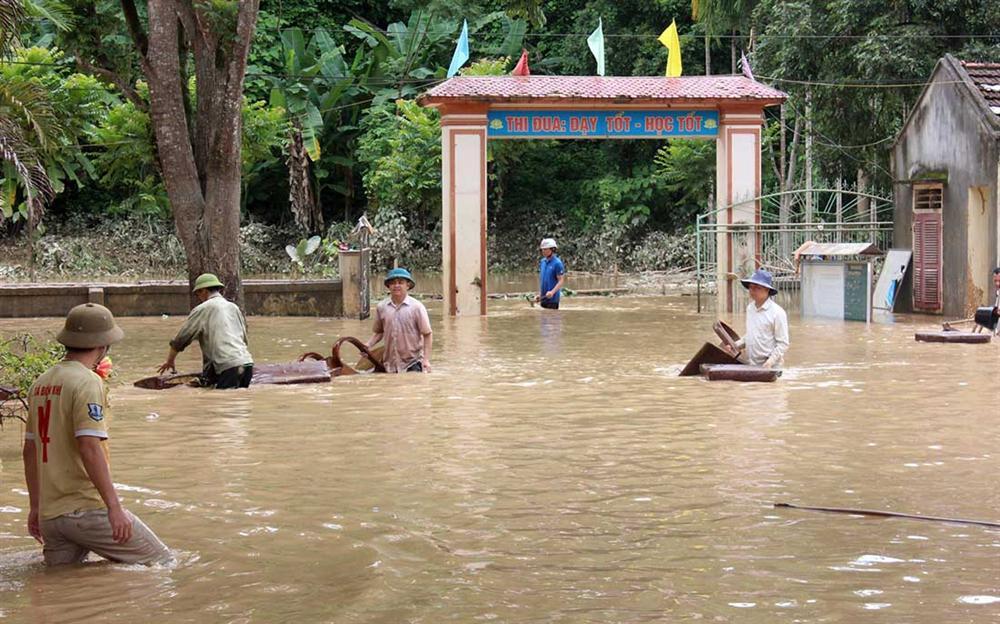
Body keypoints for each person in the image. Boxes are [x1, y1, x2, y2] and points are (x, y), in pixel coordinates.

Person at [23, 303, 170, 565]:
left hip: (52, 518)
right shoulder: (89, 382)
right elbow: (89, 447)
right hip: (86, 510)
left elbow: (29, 452)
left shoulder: (40, 384)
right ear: (103, 345)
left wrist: (36, 508)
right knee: (163, 562)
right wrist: (115, 508)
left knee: (62, 584)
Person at [157, 273, 254, 389]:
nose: (199, 297)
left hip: (228, 367)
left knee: (224, 404)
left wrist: (170, 361)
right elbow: (243, 339)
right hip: (247, 364)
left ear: (203, 291)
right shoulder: (234, 307)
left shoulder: (203, 309)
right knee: (238, 401)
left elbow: (181, 339)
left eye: (198, 293)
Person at [366, 268, 433, 373]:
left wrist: (426, 360)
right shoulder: (382, 307)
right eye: (393, 283)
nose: (396, 285)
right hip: (389, 364)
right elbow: (379, 332)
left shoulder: (417, 307)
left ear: (408, 285)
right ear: (388, 286)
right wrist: (368, 345)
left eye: (400, 282)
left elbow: (427, 334)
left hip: (413, 362)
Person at [724, 269, 790, 369]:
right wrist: (735, 345)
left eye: (757, 288)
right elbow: (751, 335)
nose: (752, 291)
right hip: (752, 364)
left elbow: (783, 344)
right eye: (750, 287)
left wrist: (770, 362)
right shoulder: (750, 308)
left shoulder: (777, 313)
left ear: (767, 290)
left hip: (771, 366)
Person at [538, 238, 566, 310]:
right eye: (542, 249)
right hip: (544, 297)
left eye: (545, 249)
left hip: (553, 299)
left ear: (552, 250)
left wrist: (552, 292)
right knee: (543, 319)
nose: (543, 251)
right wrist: (540, 295)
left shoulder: (557, 263)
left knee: (552, 319)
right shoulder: (542, 262)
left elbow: (561, 280)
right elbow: (542, 280)